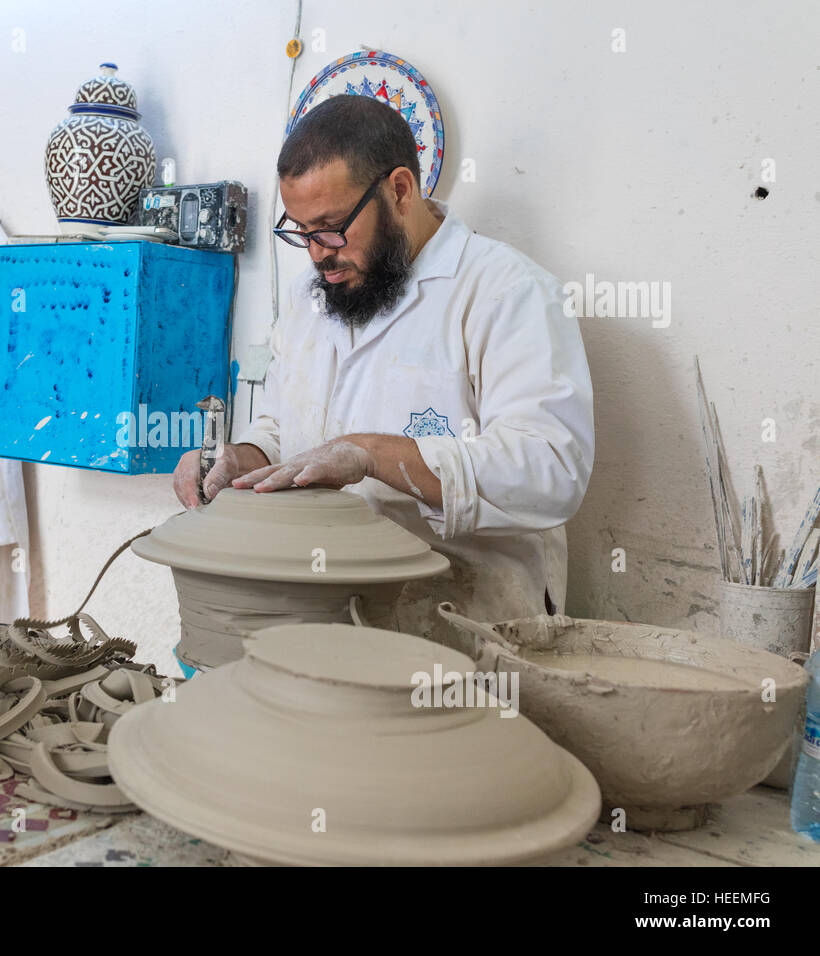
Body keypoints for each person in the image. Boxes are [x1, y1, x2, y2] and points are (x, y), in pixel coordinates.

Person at [172, 94, 594, 636]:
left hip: (468, 623)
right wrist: (240, 459)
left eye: (329, 227)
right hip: (326, 610)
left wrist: (372, 454)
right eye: (300, 232)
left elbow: (552, 470)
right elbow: (282, 430)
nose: (317, 253)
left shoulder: (507, 293)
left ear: (399, 191)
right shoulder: (311, 299)